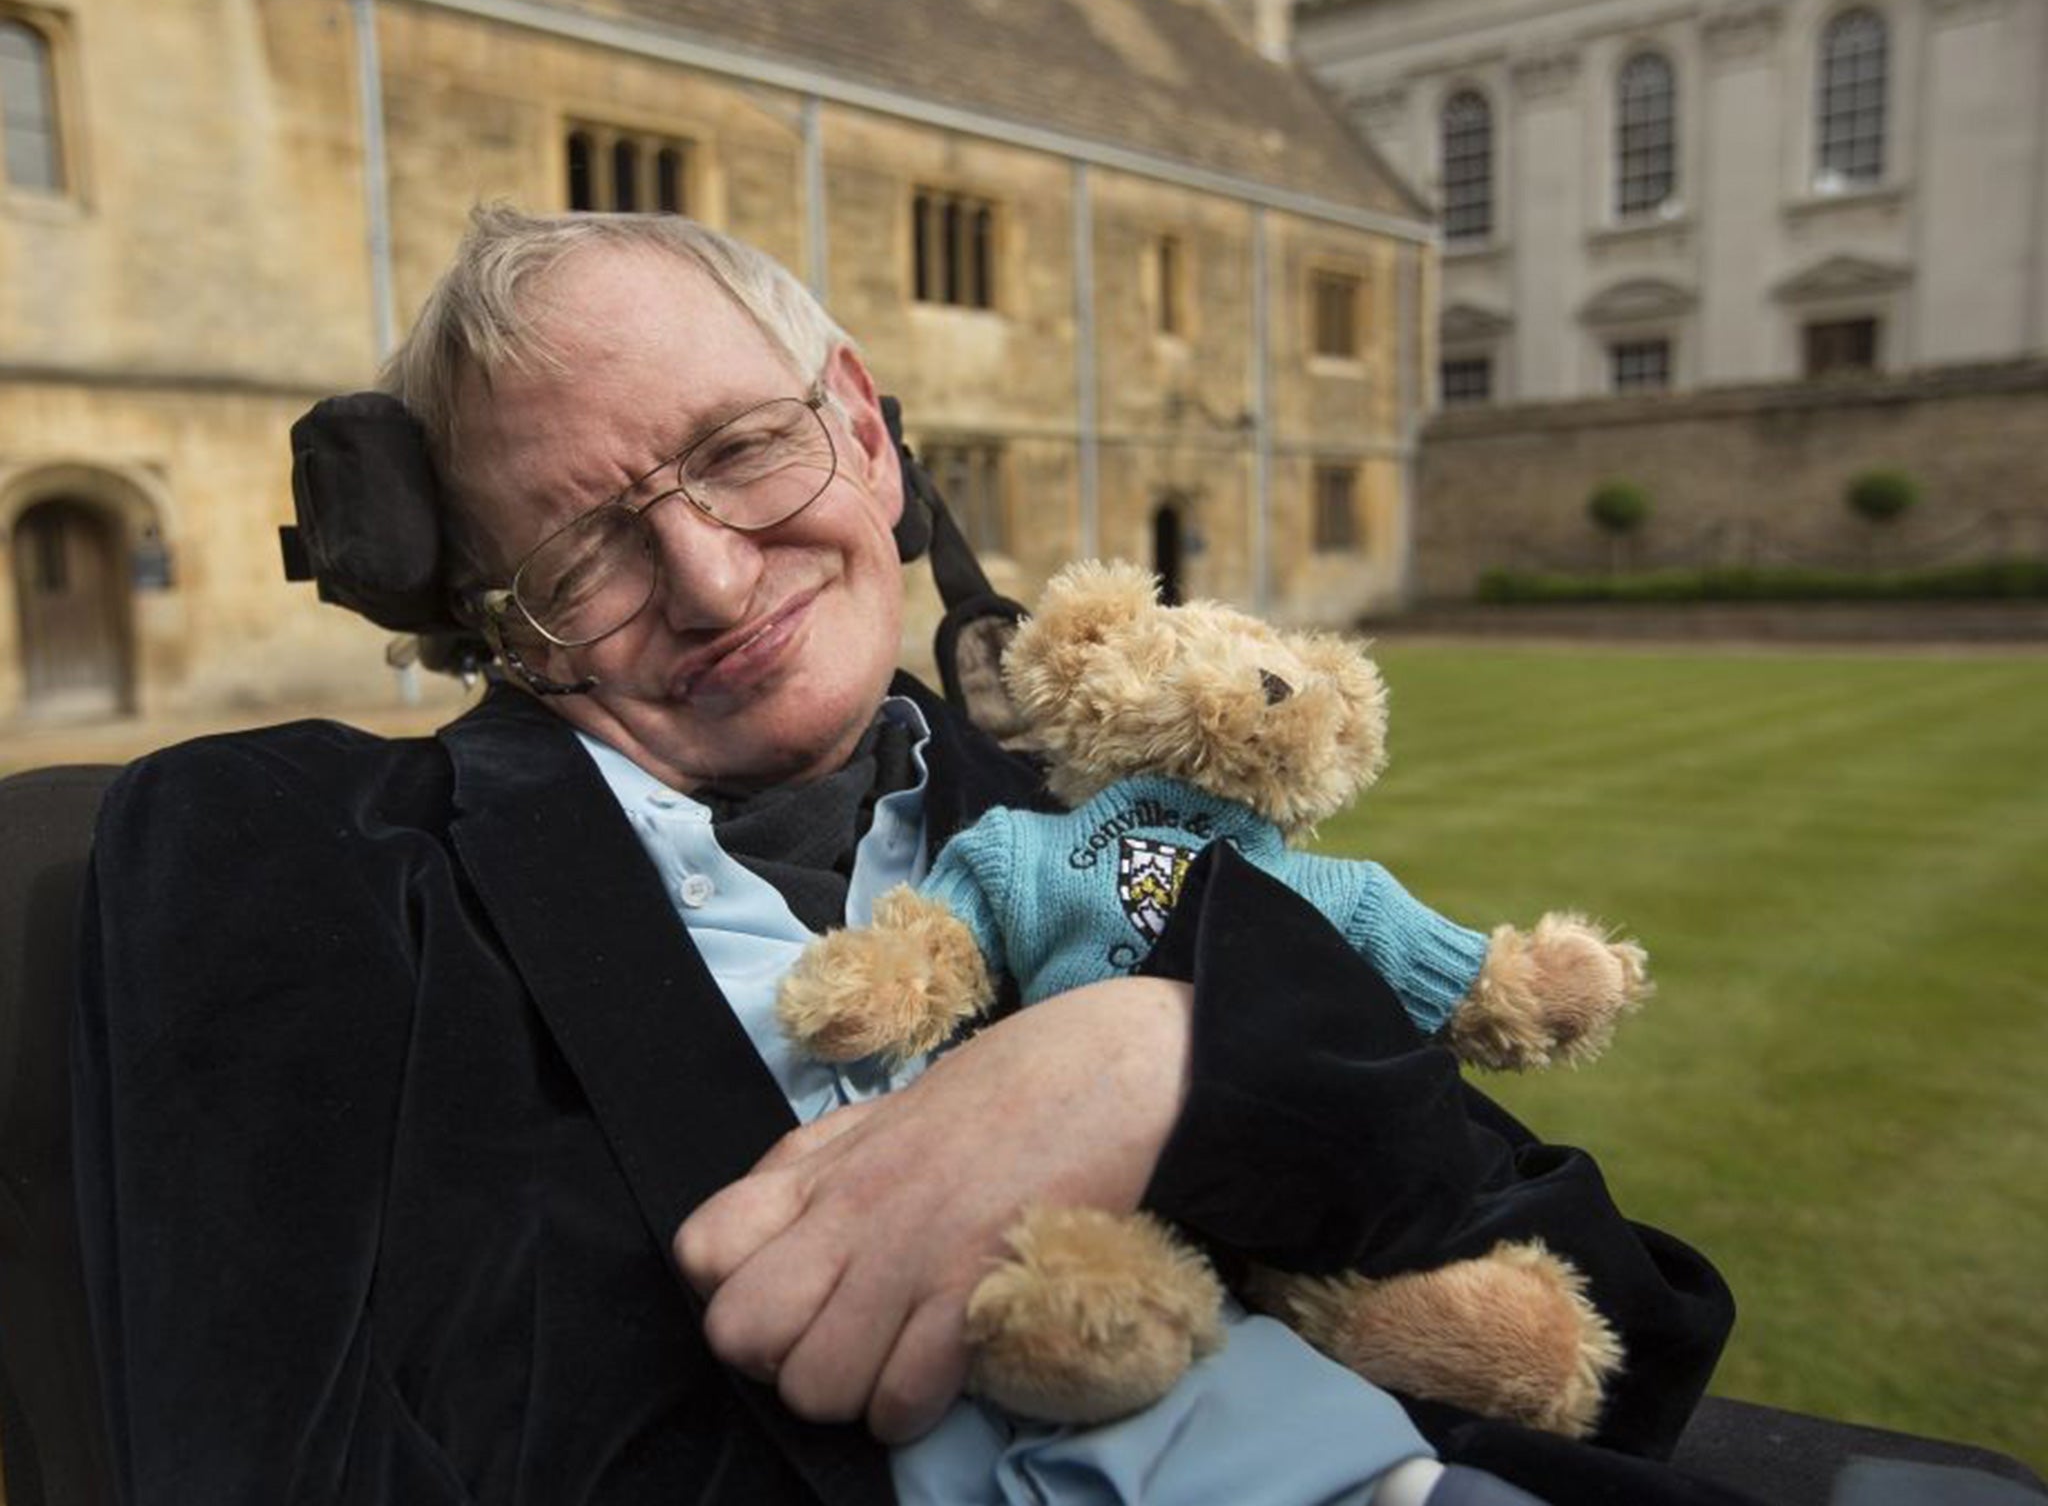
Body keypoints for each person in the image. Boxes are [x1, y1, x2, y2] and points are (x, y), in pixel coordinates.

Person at [72, 206, 1738, 1506]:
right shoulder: (305, 855)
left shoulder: (1102, 823)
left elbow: (1625, 1324)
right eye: (584, 552)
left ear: (866, 432)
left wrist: (1169, 1057)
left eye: (741, 450)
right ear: (495, 626)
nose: (714, 586)